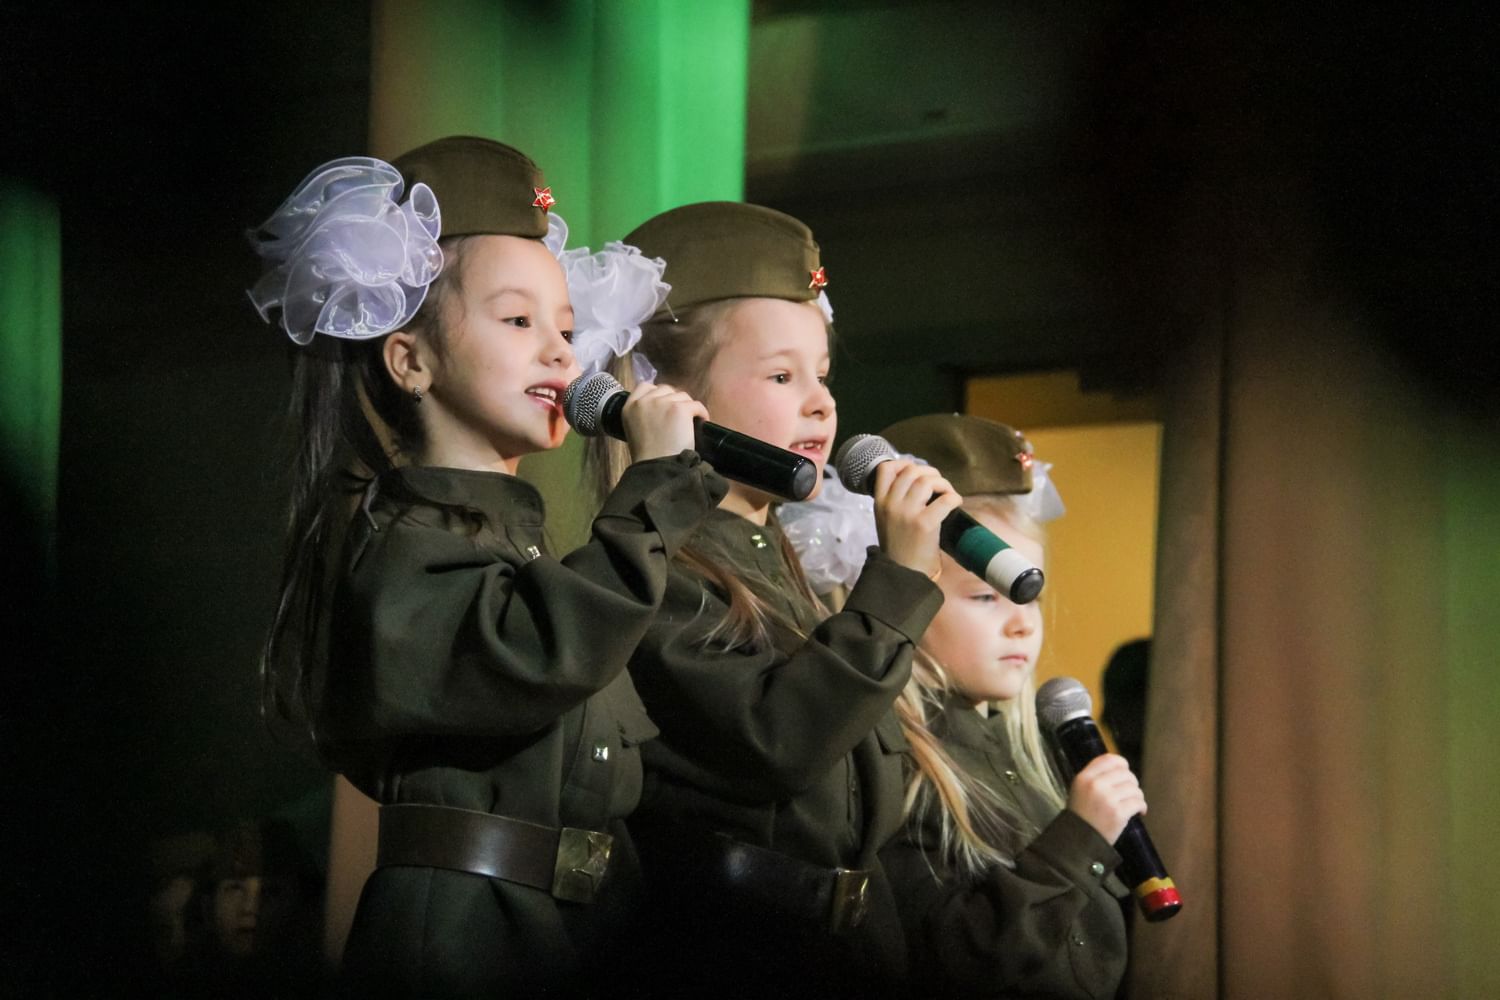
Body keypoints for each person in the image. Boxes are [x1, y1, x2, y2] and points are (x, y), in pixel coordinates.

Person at [249, 136, 726, 997]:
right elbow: (537, 651)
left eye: (569, 330)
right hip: (468, 938)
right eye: (519, 321)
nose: (561, 355)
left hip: (579, 930)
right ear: (410, 359)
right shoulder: (400, 544)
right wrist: (651, 490)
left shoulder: (527, 544)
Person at [583, 202, 960, 998]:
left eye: (822, 374)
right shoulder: (655, 574)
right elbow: (778, 739)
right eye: (782, 376)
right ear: (670, 399)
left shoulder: (787, 572)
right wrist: (895, 582)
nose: (821, 402)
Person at [862, 414, 1141, 999]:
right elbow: (957, 961)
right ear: (910, 593)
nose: (1021, 623)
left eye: (1028, 594)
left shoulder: (1040, 749)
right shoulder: (895, 759)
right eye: (986, 596)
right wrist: (1079, 839)